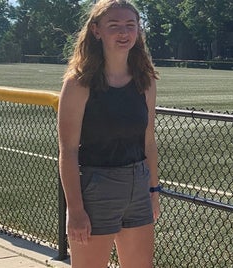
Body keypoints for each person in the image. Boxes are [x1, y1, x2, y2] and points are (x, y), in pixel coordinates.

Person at [57, 1, 161, 267]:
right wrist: (75, 210)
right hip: (96, 186)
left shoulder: (144, 80)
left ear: (138, 31)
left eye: (130, 25)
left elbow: (148, 141)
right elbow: (67, 151)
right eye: (113, 26)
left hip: (138, 185)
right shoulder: (79, 83)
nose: (123, 32)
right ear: (96, 31)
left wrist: (153, 190)